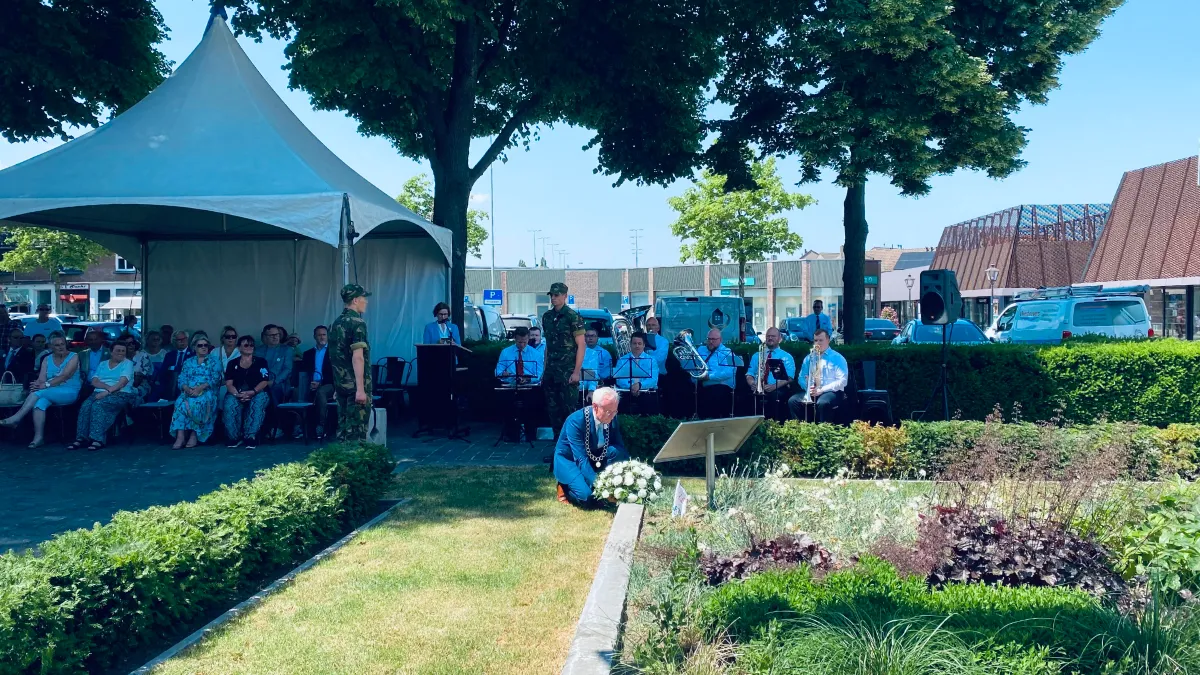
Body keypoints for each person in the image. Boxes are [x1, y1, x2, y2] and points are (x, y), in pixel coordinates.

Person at [0, 331, 81, 447]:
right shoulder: (47, 359)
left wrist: (45, 385)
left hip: (69, 390)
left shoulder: (74, 356)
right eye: (57, 345)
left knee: (40, 393)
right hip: (47, 391)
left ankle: (16, 418)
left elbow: (65, 376)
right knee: (39, 403)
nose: (61, 347)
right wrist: (36, 385)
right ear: (51, 347)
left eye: (62, 344)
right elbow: (41, 378)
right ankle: (38, 437)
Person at [552, 387, 629, 505]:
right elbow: (580, 459)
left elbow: (620, 447)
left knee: (616, 451)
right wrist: (601, 486)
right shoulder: (576, 421)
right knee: (587, 497)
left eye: (615, 411)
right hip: (570, 459)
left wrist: (627, 474)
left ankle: (598, 482)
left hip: (594, 455)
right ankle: (564, 486)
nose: (612, 415)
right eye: (609, 411)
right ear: (595, 407)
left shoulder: (612, 416)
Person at [67, 342, 136, 452]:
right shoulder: (103, 364)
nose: (121, 353)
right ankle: (81, 438)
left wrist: (107, 392)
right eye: (118, 350)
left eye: (123, 351)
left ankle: (97, 439)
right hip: (100, 391)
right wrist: (106, 388)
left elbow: (122, 382)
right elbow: (94, 381)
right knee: (86, 406)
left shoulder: (127, 364)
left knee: (98, 405)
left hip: (121, 394)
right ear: (111, 351)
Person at [541, 282, 585, 438]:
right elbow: (548, 345)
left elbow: (581, 345)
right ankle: (557, 449)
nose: (553, 298)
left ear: (565, 296)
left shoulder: (572, 317)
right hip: (551, 372)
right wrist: (544, 369)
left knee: (569, 411)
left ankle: (571, 448)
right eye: (552, 295)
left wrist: (576, 372)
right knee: (553, 412)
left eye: (557, 295)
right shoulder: (547, 317)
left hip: (567, 371)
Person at [330, 284, 372, 441]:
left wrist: (337, 385)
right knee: (356, 430)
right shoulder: (357, 323)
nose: (366, 302)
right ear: (355, 300)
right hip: (355, 385)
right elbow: (358, 357)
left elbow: (336, 357)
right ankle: (354, 463)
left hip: (341, 385)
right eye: (363, 298)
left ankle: (341, 463)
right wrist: (361, 389)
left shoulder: (336, 323)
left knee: (343, 429)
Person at [170, 334, 223, 448]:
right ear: (194, 347)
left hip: (207, 391)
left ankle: (194, 434)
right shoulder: (188, 362)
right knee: (180, 403)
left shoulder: (214, 361)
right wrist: (186, 388)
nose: (204, 347)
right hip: (189, 391)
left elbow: (216, 379)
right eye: (200, 345)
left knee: (198, 402)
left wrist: (200, 388)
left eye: (206, 345)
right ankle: (180, 436)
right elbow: (181, 378)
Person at [788, 328, 849, 423]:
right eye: (816, 340)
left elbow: (842, 381)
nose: (818, 343)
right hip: (813, 391)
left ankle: (823, 430)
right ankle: (802, 429)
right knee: (793, 401)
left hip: (832, 392)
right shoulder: (809, 358)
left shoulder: (837, 358)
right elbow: (801, 377)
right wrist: (808, 388)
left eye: (821, 340)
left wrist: (822, 390)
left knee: (823, 403)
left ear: (828, 340)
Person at [494, 326, 542, 441]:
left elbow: (539, 373)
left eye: (525, 342)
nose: (522, 345)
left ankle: (530, 434)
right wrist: (503, 374)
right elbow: (497, 370)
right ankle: (511, 434)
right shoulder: (506, 352)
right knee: (506, 405)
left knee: (532, 405)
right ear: (515, 339)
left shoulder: (535, 354)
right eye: (519, 342)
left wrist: (528, 379)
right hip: (511, 386)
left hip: (529, 387)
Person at [223, 335, 272, 448]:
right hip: (237, 392)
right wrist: (237, 394)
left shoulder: (261, 361)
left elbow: (264, 381)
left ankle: (250, 436)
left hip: (258, 392)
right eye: (246, 345)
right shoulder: (232, 363)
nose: (249, 347)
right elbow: (229, 383)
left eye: (251, 345)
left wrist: (253, 392)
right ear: (239, 348)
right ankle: (234, 437)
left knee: (258, 402)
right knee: (230, 403)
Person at [745, 327, 796, 422]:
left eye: (773, 336)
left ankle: (773, 425)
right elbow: (750, 373)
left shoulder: (786, 356)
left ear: (779, 339)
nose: (770, 338)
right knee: (745, 397)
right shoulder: (757, 355)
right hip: (758, 387)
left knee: (775, 396)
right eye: (768, 336)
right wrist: (752, 383)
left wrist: (774, 386)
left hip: (778, 387)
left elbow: (790, 377)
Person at [693, 328, 737, 419]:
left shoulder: (727, 352)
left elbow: (729, 372)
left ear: (720, 340)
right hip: (703, 384)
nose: (710, 342)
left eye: (714, 339)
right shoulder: (701, 350)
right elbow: (694, 365)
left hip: (722, 386)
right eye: (709, 339)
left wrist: (709, 376)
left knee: (715, 393)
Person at [301, 325, 334, 438]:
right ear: (314, 336)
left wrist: (320, 383)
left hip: (329, 384)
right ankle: (300, 426)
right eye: (319, 335)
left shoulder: (334, 352)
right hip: (310, 383)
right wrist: (309, 383)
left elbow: (335, 373)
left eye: (324, 334)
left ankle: (322, 424)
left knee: (321, 392)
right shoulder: (308, 354)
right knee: (297, 392)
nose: (322, 337)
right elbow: (304, 373)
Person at [614, 331, 659, 415]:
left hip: (646, 392)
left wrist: (639, 385)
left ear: (644, 345)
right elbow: (619, 379)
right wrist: (632, 386)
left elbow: (653, 380)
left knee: (649, 404)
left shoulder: (652, 360)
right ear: (630, 345)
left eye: (639, 343)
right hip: (627, 391)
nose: (637, 346)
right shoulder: (622, 360)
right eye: (634, 343)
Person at [257, 324, 294, 407]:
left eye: (277, 334)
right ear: (265, 337)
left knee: (272, 390)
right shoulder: (258, 351)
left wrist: (274, 381)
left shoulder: (286, 350)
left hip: (279, 383)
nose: (275, 337)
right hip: (261, 382)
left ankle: (274, 417)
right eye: (272, 335)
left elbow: (287, 369)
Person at [579, 327, 613, 397]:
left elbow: (607, 372)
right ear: (584, 338)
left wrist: (597, 380)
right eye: (588, 336)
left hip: (600, 385)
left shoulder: (605, 353)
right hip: (581, 384)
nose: (590, 338)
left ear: (598, 338)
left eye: (593, 336)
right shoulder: (579, 351)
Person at [161, 330, 194, 397]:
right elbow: (163, 372)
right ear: (174, 341)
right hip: (170, 384)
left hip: (188, 385)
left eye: (184, 339)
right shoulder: (169, 355)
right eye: (179, 340)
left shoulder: (194, 354)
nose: (182, 341)